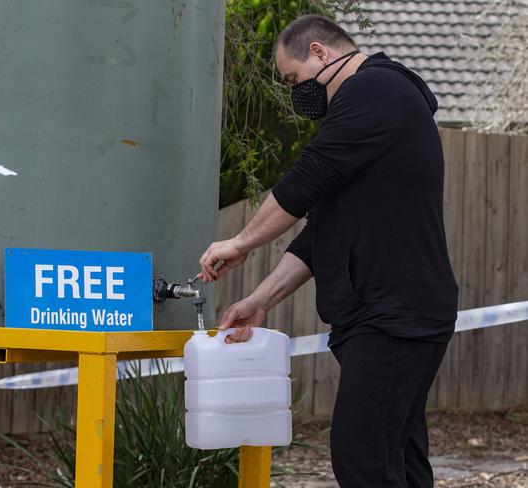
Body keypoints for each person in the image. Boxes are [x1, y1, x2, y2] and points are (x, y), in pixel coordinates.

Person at [197, 14, 459, 488]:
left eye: (294, 79)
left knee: (362, 460)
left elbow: (307, 179)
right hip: (390, 312)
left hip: (395, 313)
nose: (298, 93)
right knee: (397, 457)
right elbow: (321, 231)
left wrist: (238, 242)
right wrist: (261, 300)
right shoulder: (373, 114)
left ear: (320, 53)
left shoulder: (375, 91)